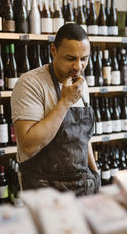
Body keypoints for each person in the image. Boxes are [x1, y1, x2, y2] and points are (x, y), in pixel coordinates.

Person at [11, 24, 100, 196]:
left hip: (82, 187)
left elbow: (83, 137)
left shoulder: (81, 83)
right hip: (44, 191)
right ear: (53, 50)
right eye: (70, 58)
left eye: (84, 59)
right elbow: (29, 145)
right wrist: (65, 102)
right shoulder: (30, 84)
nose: (78, 67)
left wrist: (95, 174)